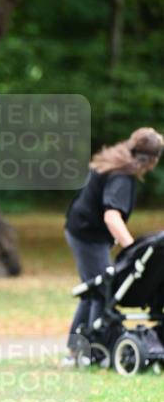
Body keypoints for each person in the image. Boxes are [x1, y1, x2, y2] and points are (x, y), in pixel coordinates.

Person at [63, 126, 163, 360]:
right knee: (103, 289)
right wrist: (133, 250)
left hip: (82, 229)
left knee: (94, 288)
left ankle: (77, 349)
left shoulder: (117, 160)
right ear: (153, 159)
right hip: (87, 235)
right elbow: (112, 216)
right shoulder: (123, 176)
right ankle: (94, 349)